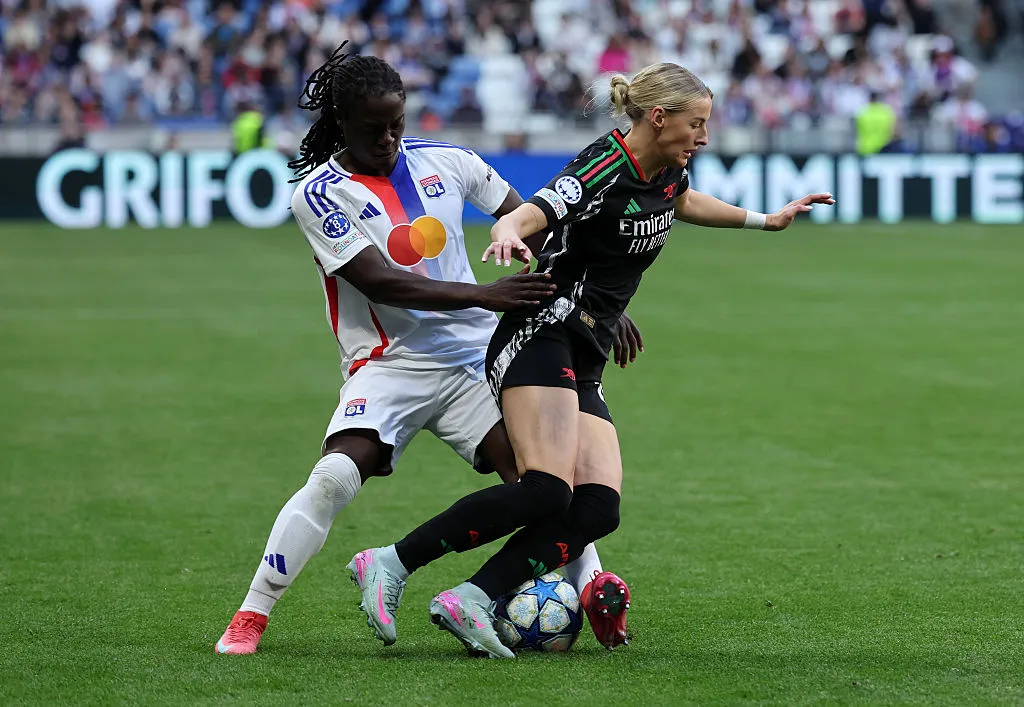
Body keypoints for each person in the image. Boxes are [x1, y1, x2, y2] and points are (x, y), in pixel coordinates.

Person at [350, 62, 835, 658]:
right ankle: (391, 562)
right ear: (659, 118)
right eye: (697, 124)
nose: (704, 137)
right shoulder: (603, 165)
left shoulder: (666, 169)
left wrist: (768, 220)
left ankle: (473, 597)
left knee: (598, 508)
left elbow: (682, 203)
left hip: (587, 348)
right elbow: (537, 210)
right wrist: (508, 231)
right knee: (546, 492)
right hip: (540, 332)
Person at [214, 43, 641, 655]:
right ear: (340, 124)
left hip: (474, 361)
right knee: (336, 475)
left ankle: (592, 586)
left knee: (547, 483)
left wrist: (598, 303)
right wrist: (485, 296)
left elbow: (537, 227)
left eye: (396, 123)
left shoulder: (450, 162)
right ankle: (252, 614)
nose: (388, 138)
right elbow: (381, 280)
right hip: (388, 364)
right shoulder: (318, 194)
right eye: (372, 129)